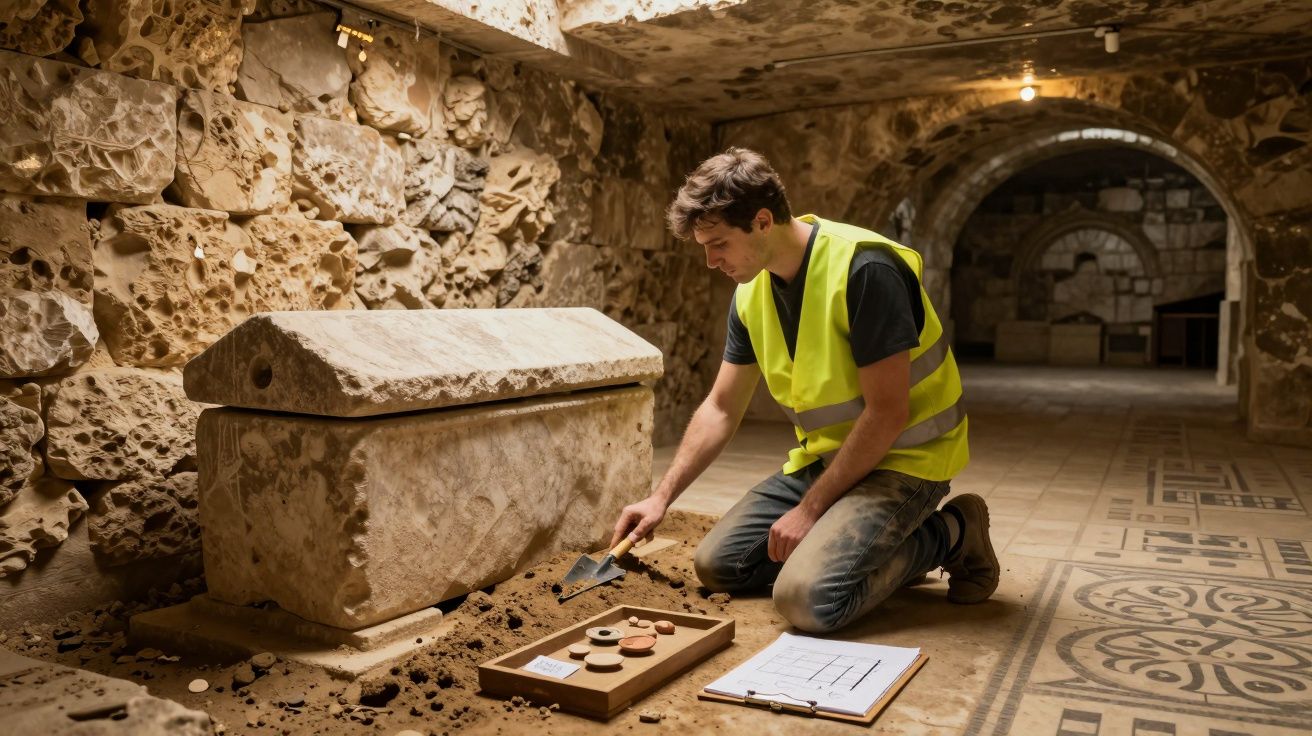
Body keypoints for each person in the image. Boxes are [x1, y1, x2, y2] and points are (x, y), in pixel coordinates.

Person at [609, 147, 999, 634]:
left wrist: (810, 509)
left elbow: (887, 412)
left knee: (808, 600)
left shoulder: (864, 270)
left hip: (907, 460)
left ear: (763, 221)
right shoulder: (751, 292)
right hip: (830, 460)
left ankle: (951, 533)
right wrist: (660, 498)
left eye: (719, 244)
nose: (711, 262)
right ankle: (864, 546)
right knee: (719, 566)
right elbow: (722, 408)